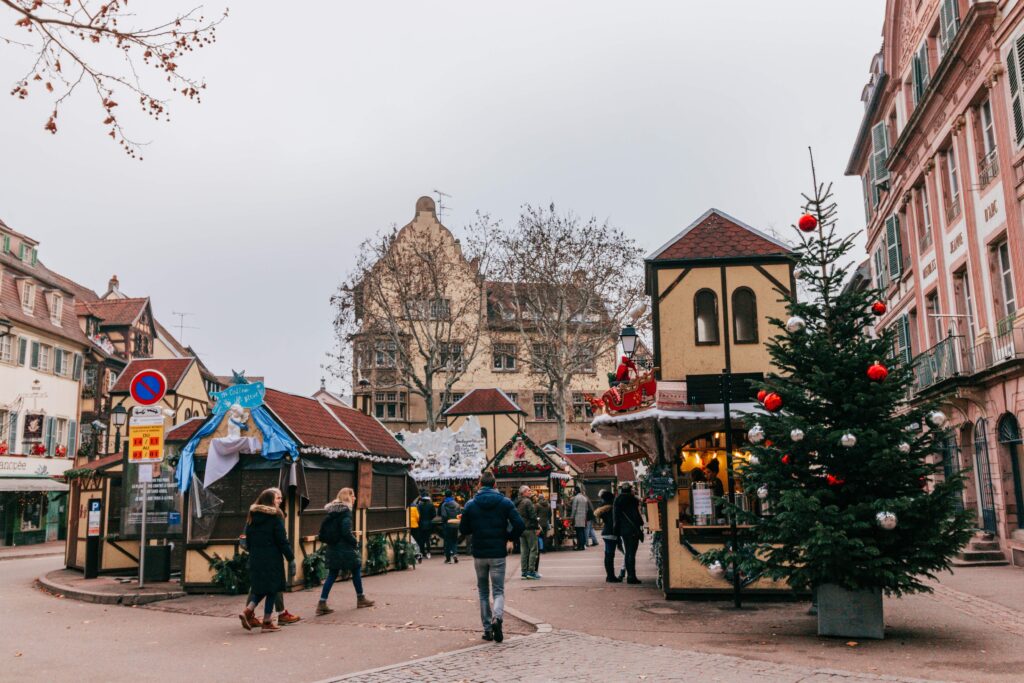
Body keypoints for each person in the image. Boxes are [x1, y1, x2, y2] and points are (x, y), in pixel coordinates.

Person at [459, 471, 525, 643]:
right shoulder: (505, 503)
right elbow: (520, 524)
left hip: (479, 553)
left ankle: (487, 629)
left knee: (482, 591)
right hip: (498, 553)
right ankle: (497, 618)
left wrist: (472, 525)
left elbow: (464, 530)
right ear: (495, 484)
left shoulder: (471, 504)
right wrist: (509, 537)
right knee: (498, 590)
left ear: (480, 484)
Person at [239, 488, 295, 633]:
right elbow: (282, 540)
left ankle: (248, 611)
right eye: (278, 498)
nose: (280, 501)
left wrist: (255, 552)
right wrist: (291, 558)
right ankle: (267, 621)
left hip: (256, 557)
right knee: (272, 588)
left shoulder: (252, 517)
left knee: (261, 588)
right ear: (270, 501)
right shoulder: (275, 517)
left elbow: (248, 540)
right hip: (272, 558)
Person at [316, 487, 374, 614]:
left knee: (332, 574)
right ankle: (361, 598)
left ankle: (322, 602)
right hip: (345, 548)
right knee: (356, 569)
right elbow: (345, 531)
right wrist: (355, 541)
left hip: (333, 546)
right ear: (348, 497)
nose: (355, 498)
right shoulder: (346, 512)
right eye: (353, 496)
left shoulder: (332, 511)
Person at [613, 482, 645, 584]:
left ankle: (629, 575)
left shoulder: (617, 500)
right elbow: (636, 515)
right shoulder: (633, 499)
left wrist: (616, 531)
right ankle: (631, 576)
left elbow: (616, 517)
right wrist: (641, 523)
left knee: (627, 553)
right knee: (632, 553)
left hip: (623, 530)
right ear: (630, 489)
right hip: (632, 529)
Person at [516, 485, 541, 580]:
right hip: (529, 528)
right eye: (529, 490)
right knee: (534, 549)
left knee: (524, 551)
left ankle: (524, 572)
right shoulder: (527, 502)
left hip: (521, 529)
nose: (530, 492)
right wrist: (537, 527)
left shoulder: (518, 501)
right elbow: (533, 516)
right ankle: (531, 571)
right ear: (524, 493)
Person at [595, 490, 620, 582]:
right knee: (610, 556)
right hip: (612, 533)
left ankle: (609, 575)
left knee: (608, 555)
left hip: (605, 533)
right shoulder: (613, 508)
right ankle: (611, 576)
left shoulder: (602, 509)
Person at [440, 489, 462, 563]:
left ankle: (448, 558)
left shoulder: (444, 504)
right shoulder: (457, 504)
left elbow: (444, 515)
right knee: (454, 540)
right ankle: (455, 553)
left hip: (447, 525)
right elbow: (459, 515)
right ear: (452, 495)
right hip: (455, 524)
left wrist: (444, 522)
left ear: (445, 496)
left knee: (447, 541)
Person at [414, 492, 436, 559]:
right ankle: (428, 552)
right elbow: (434, 515)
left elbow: (418, 515)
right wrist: (429, 518)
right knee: (427, 539)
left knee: (421, 539)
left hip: (421, 524)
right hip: (429, 524)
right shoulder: (431, 505)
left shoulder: (419, 506)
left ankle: (422, 552)